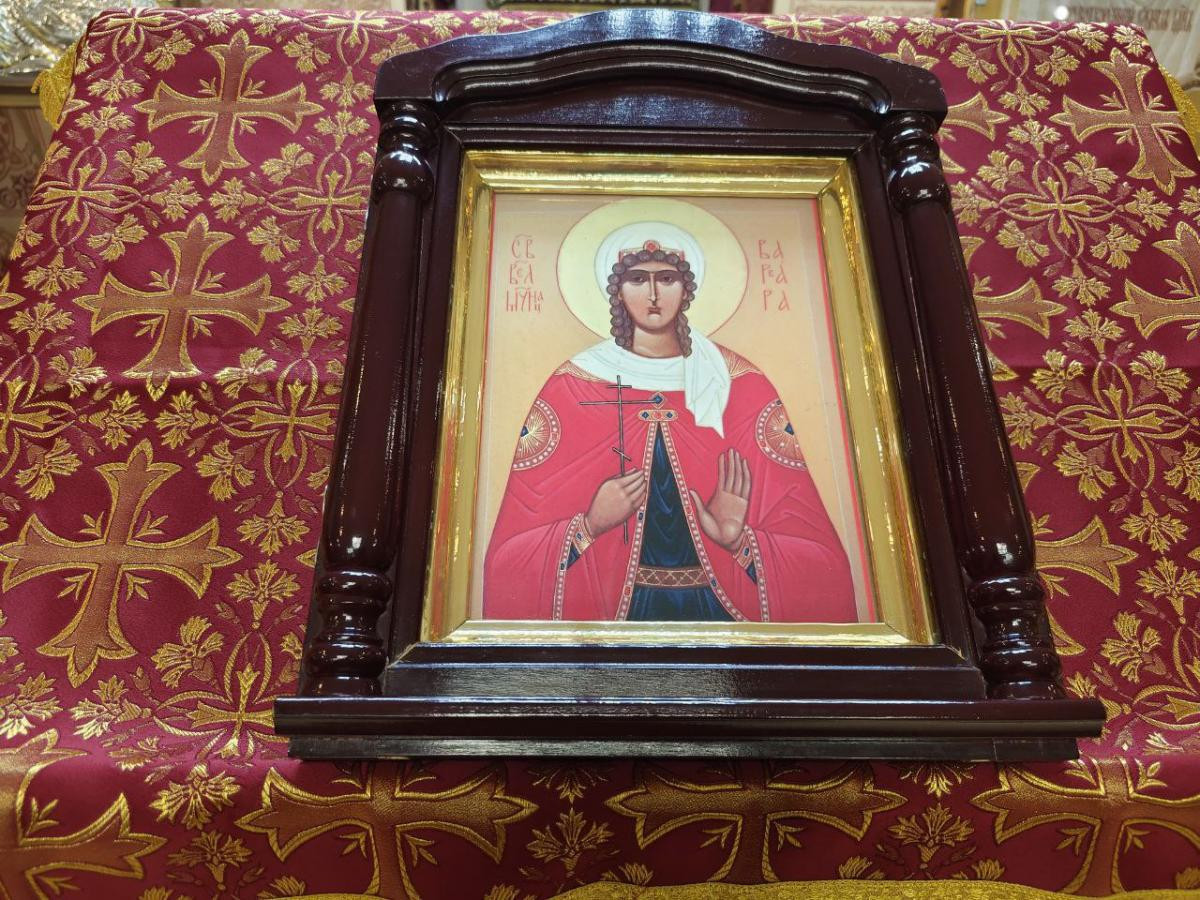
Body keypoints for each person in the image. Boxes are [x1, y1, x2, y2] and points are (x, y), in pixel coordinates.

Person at [483, 221, 856, 622]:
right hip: (611, 624)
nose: (653, 294)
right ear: (617, 290)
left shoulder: (738, 386)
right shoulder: (571, 388)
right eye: (637, 279)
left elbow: (823, 561)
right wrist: (589, 525)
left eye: (667, 278)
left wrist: (739, 541)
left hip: (722, 619)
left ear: (687, 289)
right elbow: (507, 559)